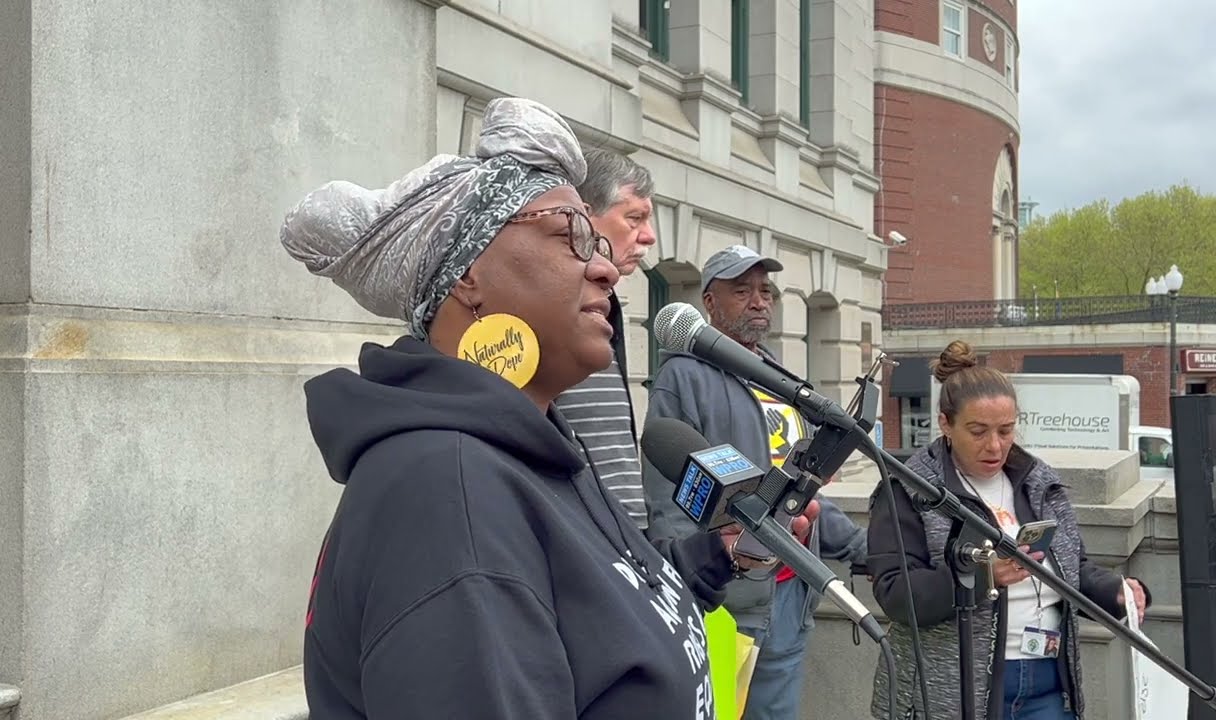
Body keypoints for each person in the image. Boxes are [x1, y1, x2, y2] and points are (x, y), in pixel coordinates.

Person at [280, 97, 817, 719]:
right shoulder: (448, 495)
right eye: (571, 235)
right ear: (466, 275)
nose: (605, 268)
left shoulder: (531, 446)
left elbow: (602, 605)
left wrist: (724, 552)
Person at [642, 244, 870, 720]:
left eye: (765, 291)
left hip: (791, 592)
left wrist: (862, 547)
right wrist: (695, 585)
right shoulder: (682, 375)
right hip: (729, 597)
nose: (759, 301)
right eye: (741, 290)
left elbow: (799, 486)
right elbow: (668, 494)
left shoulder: (779, 376)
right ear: (709, 302)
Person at [867, 340, 1152, 720]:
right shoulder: (908, 489)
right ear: (945, 424)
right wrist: (983, 575)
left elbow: (1072, 569)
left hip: (1048, 680)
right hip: (953, 694)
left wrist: (1118, 594)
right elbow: (895, 594)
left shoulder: (1040, 483)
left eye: (1006, 430)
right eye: (978, 430)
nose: (995, 445)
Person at [555, 149, 658, 528]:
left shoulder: (608, 306)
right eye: (634, 218)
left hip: (626, 533)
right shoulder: (546, 307)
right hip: (580, 536)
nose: (648, 237)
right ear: (582, 215)